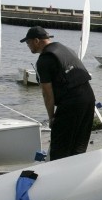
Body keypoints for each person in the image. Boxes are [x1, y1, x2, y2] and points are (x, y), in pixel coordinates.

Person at [21, 26, 96, 160]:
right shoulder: (66, 49)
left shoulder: (44, 60)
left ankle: (57, 176)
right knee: (79, 145)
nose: (28, 46)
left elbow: (47, 93)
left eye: (28, 42)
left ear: (36, 41)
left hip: (72, 102)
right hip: (88, 97)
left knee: (59, 147)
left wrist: (51, 118)